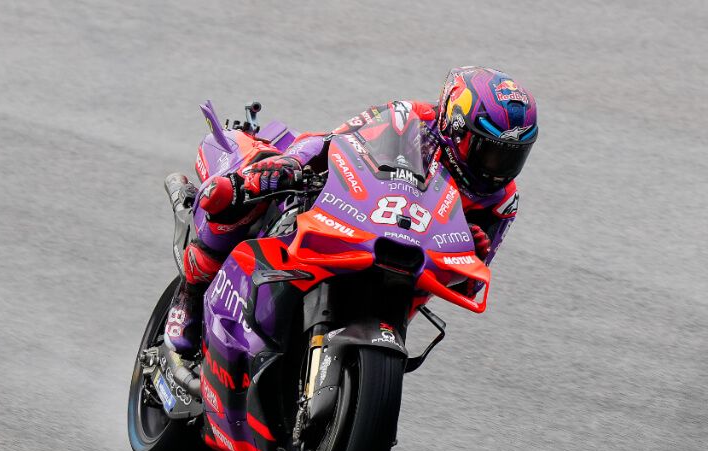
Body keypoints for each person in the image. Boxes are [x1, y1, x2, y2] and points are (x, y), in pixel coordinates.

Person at [165, 66, 538, 356]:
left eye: (511, 157)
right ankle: (191, 292)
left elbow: (473, 277)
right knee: (235, 194)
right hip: (352, 216)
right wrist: (291, 165)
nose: (496, 168)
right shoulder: (408, 118)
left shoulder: (502, 199)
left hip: (406, 269)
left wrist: (474, 249)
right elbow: (336, 143)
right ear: (455, 127)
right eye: (488, 151)